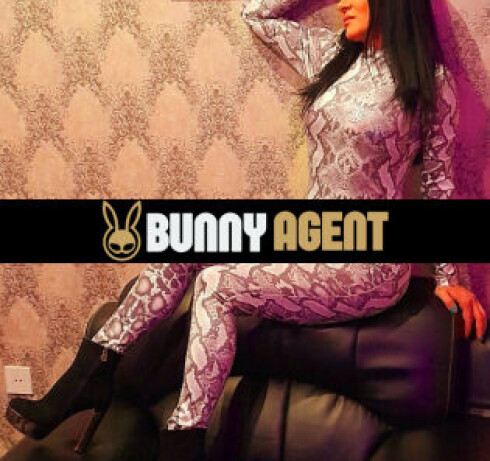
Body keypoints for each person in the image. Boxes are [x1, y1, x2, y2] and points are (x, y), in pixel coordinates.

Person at [5, 0, 487, 457]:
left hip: (370, 262)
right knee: (186, 236)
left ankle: (182, 444)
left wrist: (449, 277)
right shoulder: (330, 54)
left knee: (217, 285)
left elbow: (438, 183)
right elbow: (256, 13)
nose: (342, 3)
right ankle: (89, 376)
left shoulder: (429, 81)